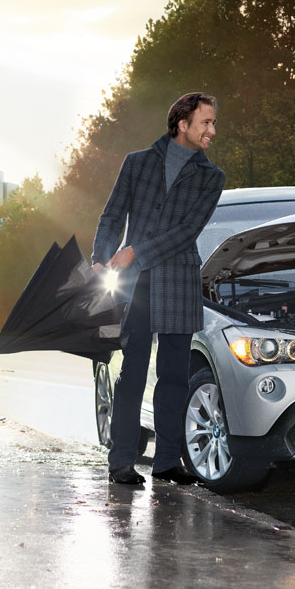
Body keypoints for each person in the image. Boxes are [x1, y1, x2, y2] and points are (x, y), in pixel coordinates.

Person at [92, 92, 227, 486]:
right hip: (136, 286)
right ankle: (121, 462)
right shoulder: (137, 163)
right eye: (206, 122)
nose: (212, 131)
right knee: (132, 372)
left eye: (213, 123)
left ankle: (168, 461)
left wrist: (135, 250)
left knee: (173, 377)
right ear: (182, 123)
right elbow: (113, 213)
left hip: (178, 280)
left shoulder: (211, 177)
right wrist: (102, 256)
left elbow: (187, 232)